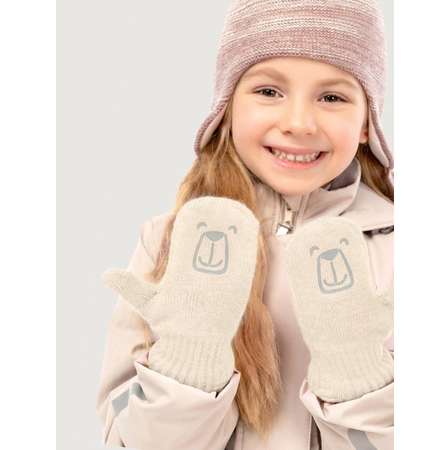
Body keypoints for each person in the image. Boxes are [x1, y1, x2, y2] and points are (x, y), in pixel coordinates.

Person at [96, 0, 394, 449]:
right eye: (269, 91)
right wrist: (189, 360)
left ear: (368, 122)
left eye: (332, 97)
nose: (298, 123)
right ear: (227, 107)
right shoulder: (170, 243)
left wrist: (358, 375)